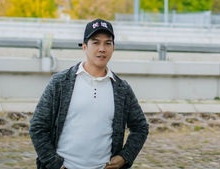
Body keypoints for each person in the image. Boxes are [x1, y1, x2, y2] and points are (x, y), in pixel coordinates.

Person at [30, 18, 149, 169]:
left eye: (107, 43)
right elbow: (38, 127)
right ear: (84, 47)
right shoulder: (60, 83)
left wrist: (124, 157)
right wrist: (54, 164)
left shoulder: (122, 89)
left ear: (113, 47)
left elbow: (140, 127)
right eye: (96, 42)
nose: (102, 48)